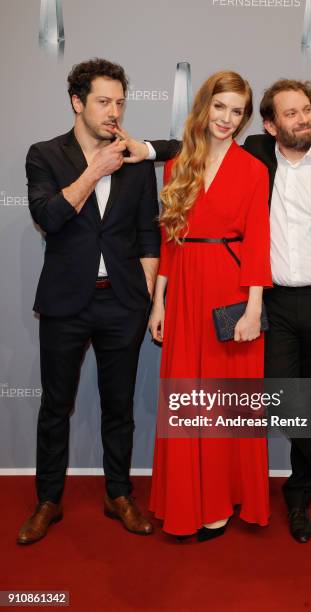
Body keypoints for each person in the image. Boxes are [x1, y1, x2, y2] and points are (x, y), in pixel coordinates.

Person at [132, 78, 311, 543]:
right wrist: (159, 300)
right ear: (269, 124)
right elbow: (173, 226)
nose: (301, 118)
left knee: (303, 409)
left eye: (306, 109)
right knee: (243, 405)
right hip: (247, 299)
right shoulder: (223, 161)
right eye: (290, 112)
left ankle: (301, 494)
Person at [17, 58, 160, 545]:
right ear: (77, 103)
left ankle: (119, 494)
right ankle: (48, 500)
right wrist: (94, 170)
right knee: (55, 407)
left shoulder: (135, 161)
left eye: (120, 101)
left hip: (122, 303)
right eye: (103, 101)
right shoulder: (45, 155)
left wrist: (144, 299)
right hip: (65, 303)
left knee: (118, 408)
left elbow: (148, 236)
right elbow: (49, 217)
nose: (113, 111)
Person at [148, 70, 272, 540]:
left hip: (231, 292)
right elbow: (169, 239)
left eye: (237, 111)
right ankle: (186, 499)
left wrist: (254, 309)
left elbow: (258, 242)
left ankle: (218, 502)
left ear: (244, 118)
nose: (227, 118)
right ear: (205, 106)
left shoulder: (254, 170)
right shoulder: (178, 164)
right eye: (220, 106)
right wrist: (158, 302)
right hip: (183, 291)